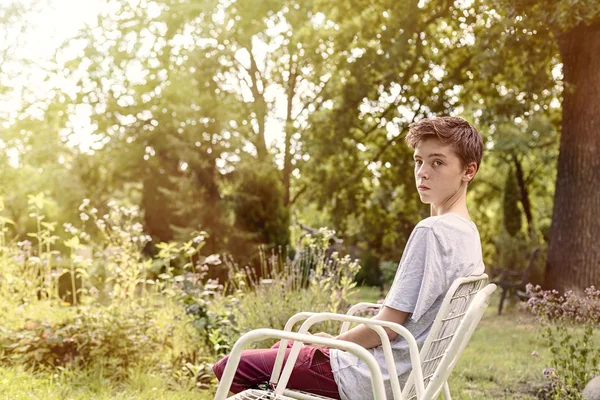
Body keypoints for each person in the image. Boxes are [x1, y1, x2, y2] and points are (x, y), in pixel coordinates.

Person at [212, 116, 486, 400]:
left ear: (468, 171)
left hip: (367, 375)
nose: (423, 173)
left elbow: (386, 328)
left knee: (231, 365)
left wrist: (335, 344)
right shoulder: (467, 235)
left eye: (437, 162)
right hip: (406, 377)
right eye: (418, 161)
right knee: (286, 351)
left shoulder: (431, 232)